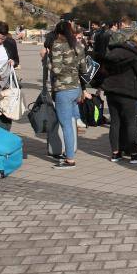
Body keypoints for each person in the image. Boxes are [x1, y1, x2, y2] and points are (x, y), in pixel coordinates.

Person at [102, 32, 137, 163]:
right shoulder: (134, 57)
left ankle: (116, 153)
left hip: (110, 91)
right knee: (130, 122)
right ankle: (134, 154)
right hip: (127, 93)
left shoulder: (112, 53)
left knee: (115, 122)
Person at [45, 20, 88, 169]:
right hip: (76, 88)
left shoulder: (57, 45)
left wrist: (46, 60)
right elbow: (84, 69)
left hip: (63, 89)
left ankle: (70, 159)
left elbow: (55, 70)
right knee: (71, 122)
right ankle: (70, 151)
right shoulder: (78, 45)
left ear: (58, 32)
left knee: (66, 126)